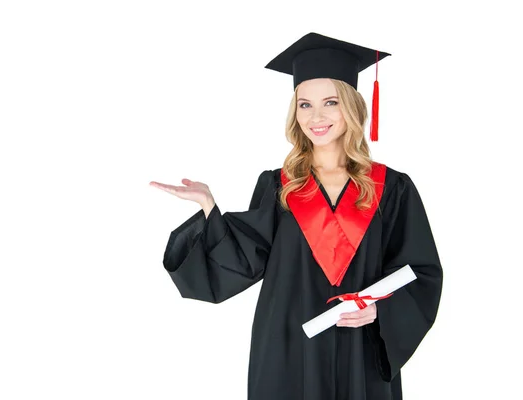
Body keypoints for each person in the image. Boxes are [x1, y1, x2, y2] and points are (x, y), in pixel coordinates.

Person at [149, 32, 443, 400]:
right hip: (288, 347)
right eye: (304, 105)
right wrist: (210, 206)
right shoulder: (279, 187)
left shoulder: (392, 188)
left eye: (330, 102)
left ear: (351, 106)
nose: (316, 116)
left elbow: (420, 273)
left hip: (361, 353)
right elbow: (241, 261)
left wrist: (380, 314)